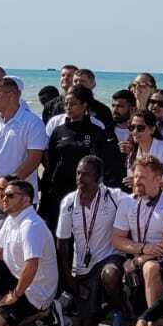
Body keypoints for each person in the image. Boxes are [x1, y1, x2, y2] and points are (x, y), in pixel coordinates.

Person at [0, 178, 61, 326]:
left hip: (35, 290)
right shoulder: (12, 218)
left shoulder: (31, 225)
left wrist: (16, 294)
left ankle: (43, 312)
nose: (4, 198)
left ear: (26, 200)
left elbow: (31, 265)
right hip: (18, 278)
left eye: (10, 195)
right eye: (4, 195)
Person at [110, 156, 163, 326]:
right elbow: (116, 239)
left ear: (157, 179)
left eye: (142, 177)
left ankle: (152, 322)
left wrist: (139, 259)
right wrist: (142, 249)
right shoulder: (127, 202)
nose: (136, 181)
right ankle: (123, 316)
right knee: (115, 268)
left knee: (150, 267)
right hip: (142, 255)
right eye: (136, 176)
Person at [55, 155, 124, 326]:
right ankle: (108, 305)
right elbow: (62, 242)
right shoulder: (69, 202)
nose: (80, 178)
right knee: (86, 324)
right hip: (83, 268)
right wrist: (68, 277)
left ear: (98, 178)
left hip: (110, 258)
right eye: (78, 173)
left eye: (86, 174)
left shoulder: (115, 196)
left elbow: (139, 202)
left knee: (110, 273)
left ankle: (119, 311)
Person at [39, 85, 120, 227]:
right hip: (58, 188)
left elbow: (102, 162)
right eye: (66, 104)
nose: (68, 107)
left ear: (84, 105)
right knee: (56, 228)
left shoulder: (96, 131)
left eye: (73, 104)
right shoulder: (58, 130)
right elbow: (49, 159)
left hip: (85, 188)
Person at [0, 76, 49, 204]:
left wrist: (8, 182)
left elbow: (34, 159)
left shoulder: (33, 122)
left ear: (12, 95)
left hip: (21, 197)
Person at [121, 111, 163, 195]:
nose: (135, 132)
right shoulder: (132, 152)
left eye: (140, 128)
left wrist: (145, 182)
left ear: (152, 129)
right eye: (132, 127)